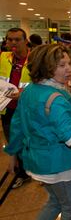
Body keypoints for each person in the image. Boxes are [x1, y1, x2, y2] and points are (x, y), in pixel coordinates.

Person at [4, 44, 71, 220]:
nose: (69, 69)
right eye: (62, 65)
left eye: (69, 63)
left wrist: (12, 154)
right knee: (70, 206)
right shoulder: (55, 98)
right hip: (58, 164)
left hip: (36, 161)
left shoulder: (30, 90)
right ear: (46, 67)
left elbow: (17, 124)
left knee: (54, 201)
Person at [1, 28, 32, 188]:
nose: (12, 43)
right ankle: (22, 174)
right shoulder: (3, 57)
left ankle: (36, 171)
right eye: (9, 39)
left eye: (17, 39)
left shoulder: (34, 59)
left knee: (31, 141)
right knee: (13, 141)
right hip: (7, 108)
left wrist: (24, 92)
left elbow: (43, 81)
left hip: (28, 109)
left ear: (25, 41)